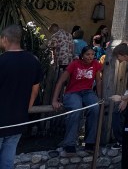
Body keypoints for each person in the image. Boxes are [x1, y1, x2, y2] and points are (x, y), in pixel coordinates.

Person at [0, 24, 43, 169]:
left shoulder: (1, 61)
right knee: (8, 159)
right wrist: (27, 108)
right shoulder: (33, 61)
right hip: (19, 118)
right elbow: (35, 90)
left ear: (5, 39)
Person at [51, 45, 102, 155]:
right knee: (76, 109)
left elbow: (98, 81)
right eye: (87, 54)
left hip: (88, 92)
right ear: (82, 55)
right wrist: (55, 100)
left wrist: (99, 97)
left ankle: (89, 142)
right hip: (72, 92)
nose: (90, 57)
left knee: (95, 108)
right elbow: (60, 81)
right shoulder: (74, 64)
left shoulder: (96, 64)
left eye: (92, 54)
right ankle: (69, 143)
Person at [111, 42, 128, 148]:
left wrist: (125, 99)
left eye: (118, 56)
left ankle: (121, 140)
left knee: (117, 114)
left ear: (123, 55)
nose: (117, 59)